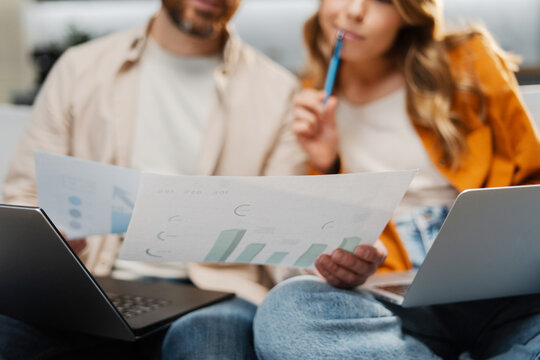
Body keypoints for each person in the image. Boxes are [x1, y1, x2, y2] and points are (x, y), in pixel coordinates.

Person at [1, 0, 306, 358]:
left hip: (217, 292)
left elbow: (281, 232)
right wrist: (50, 240)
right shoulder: (80, 68)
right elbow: (24, 194)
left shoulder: (280, 91)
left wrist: (317, 262)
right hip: (90, 279)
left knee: (209, 343)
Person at [253, 0, 540, 358]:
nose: (355, 10)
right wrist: (326, 164)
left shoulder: (469, 60)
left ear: (408, 11)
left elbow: (532, 181)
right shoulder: (309, 101)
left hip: (501, 288)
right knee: (286, 310)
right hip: (392, 298)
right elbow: (317, 242)